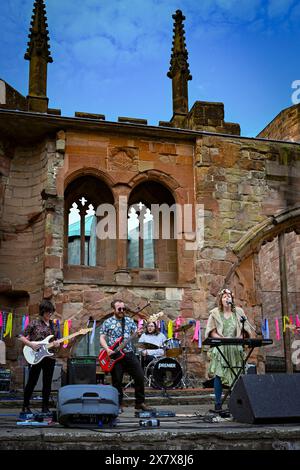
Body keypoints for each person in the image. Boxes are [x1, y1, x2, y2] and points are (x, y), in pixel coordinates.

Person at [99, 299, 152, 413]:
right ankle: (118, 403)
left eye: (124, 308)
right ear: (114, 309)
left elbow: (136, 334)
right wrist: (107, 350)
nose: (122, 311)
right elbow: (102, 337)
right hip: (114, 355)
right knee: (117, 380)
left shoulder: (128, 320)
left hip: (128, 353)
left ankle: (139, 403)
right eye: (119, 309)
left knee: (139, 376)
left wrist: (138, 333)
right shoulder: (107, 322)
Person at [205, 288, 252, 412]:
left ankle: (235, 402)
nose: (227, 298)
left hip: (235, 348)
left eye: (229, 296)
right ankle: (218, 403)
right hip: (221, 347)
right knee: (219, 374)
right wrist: (222, 338)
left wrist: (238, 338)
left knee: (236, 374)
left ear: (232, 299)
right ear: (220, 299)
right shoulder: (215, 313)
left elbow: (245, 329)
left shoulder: (239, 312)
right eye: (224, 296)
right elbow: (211, 331)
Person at [18, 299, 60, 414]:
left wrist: (57, 344)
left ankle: (45, 407)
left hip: (49, 357)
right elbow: (20, 336)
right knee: (32, 381)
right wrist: (31, 344)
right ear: (42, 311)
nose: (50, 314)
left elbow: (55, 342)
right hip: (35, 356)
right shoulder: (34, 323)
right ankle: (25, 405)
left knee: (47, 383)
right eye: (47, 312)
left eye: (51, 312)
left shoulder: (54, 326)